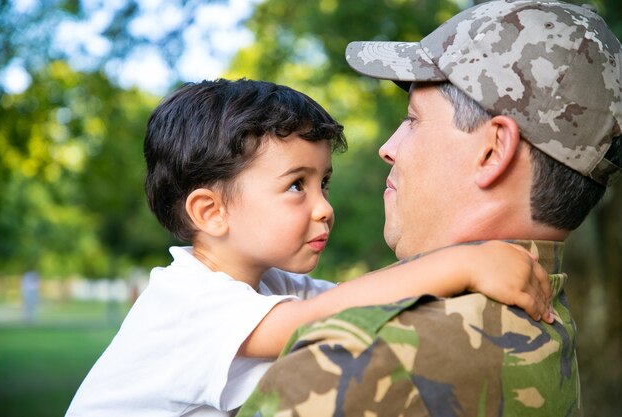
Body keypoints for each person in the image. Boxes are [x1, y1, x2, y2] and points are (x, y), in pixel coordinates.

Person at [65, 78, 550, 417]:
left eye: (324, 185)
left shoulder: (274, 284)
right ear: (212, 211)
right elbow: (306, 322)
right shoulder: (186, 301)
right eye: (297, 185)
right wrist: (461, 263)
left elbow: (361, 297)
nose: (324, 209)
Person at [237, 1, 622, 416]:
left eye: (413, 119)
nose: (388, 148)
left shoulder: (360, 360)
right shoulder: (550, 319)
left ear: (493, 151)